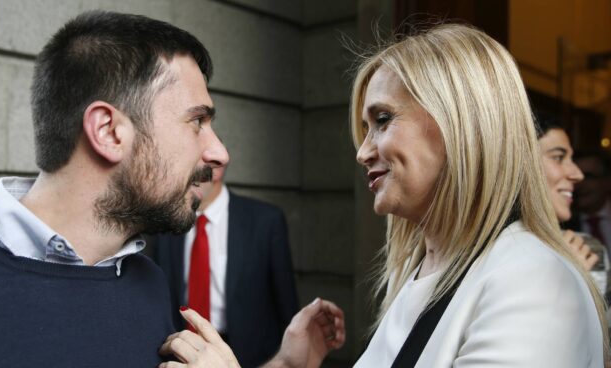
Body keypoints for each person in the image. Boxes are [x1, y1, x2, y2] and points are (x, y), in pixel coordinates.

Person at [164, 24, 607, 367]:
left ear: (460, 123)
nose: (362, 152)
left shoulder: (532, 283)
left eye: (382, 119)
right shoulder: (417, 274)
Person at [0, 11, 344, 367]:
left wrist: (285, 365)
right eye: (197, 122)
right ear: (108, 132)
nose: (220, 152)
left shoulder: (150, 283)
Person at [150, 165, 299, 367]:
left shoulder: (265, 221)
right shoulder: (165, 223)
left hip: (250, 358)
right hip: (181, 354)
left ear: (215, 171)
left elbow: (287, 307)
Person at [535, 113, 609, 294]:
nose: (578, 175)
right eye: (558, 157)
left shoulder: (586, 249)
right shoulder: (483, 250)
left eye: (571, 159)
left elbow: (601, 321)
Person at [572, 150, 611, 253]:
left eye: (588, 177)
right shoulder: (563, 225)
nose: (580, 185)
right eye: (575, 179)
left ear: (607, 181)